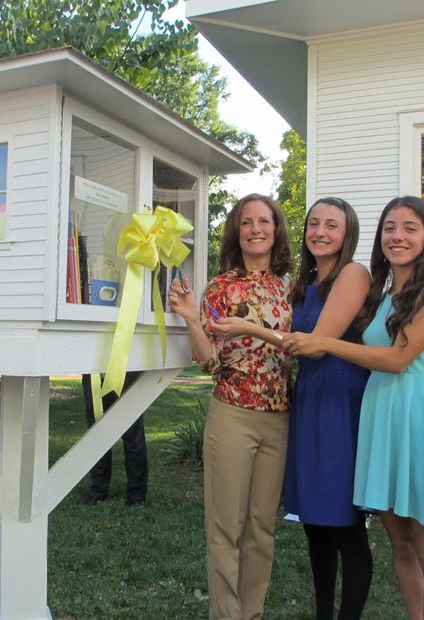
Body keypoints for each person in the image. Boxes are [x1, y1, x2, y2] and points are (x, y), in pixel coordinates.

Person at [287, 196, 424, 620]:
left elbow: (397, 359)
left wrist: (324, 342)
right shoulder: (385, 296)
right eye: (389, 227)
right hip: (381, 420)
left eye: (409, 228)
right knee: (401, 546)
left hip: (422, 421)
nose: (397, 236)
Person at [214, 198, 373, 619]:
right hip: (303, 402)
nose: (320, 231)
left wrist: (247, 327)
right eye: (314, 223)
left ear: (348, 233)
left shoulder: (353, 274)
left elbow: (314, 345)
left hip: (338, 400)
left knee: (345, 525)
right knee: (316, 522)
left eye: (332, 225)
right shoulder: (301, 284)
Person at [168, 193, 292, 620]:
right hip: (233, 413)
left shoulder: (289, 286)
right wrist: (190, 317)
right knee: (226, 527)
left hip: (279, 417)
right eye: (246, 222)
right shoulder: (221, 286)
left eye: (264, 221)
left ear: (276, 229)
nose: (256, 229)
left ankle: (252, 613)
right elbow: (209, 362)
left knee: (262, 528)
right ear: (235, 231)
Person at [80, 370, 147, 506]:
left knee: (133, 435)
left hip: (127, 368)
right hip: (93, 371)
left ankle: (136, 496)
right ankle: (98, 491)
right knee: (96, 434)